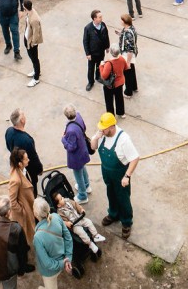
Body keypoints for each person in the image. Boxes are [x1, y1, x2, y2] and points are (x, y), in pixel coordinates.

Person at [91, 112, 140, 240]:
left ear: (112, 127)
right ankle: (113, 214)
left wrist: (127, 176)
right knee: (111, 194)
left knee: (123, 198)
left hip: (120, 174)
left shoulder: (123, 139)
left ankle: (126, 222)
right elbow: (93, 148)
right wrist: (95, 138)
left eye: (104, 128)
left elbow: (135, 158)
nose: (101, 129)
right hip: (107, 172)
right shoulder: (101, 134)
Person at [32, 197, 73, 289]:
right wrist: (68, 259)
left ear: (36, 214)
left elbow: (48, 264)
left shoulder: (38, 237)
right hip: (62, 260)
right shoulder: (56, 216)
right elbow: (67, 237)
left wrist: (62, 263)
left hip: (51, 270)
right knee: (50, 288)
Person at [52, 191, 104, 259]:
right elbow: (62, 221)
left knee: (89, 222)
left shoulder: (68, 201)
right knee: (81, 232)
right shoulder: (60, 212)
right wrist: (67, 223)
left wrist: (81, 209)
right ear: (58, 205)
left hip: (79, 218)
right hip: (74, 225)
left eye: (62, 197)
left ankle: (96, 235)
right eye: (61, 199)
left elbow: (76, 204)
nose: (63, 198)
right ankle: (90, 243)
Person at [5, 108, 44, 196]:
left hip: (16, 167)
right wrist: (39, 169)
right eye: (24, 115)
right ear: (22, 120)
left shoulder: (9, 131)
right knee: (31, 190)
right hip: (28, 172)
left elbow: (8, 147)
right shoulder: (27, 140)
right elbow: (33, 159)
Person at [61, 104, 92, 203]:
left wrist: (63, 140)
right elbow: (84, 127)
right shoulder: (78, 116)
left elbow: (71, 147)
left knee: (78, 174)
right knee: (83, 169)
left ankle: (83, 195)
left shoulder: (71, 131)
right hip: (83, 149)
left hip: (76, 156)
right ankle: (87, 185)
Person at [8, 147, 36, 246]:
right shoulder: (15, 180)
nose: (29, 160)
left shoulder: (22, 170)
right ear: (20, 163)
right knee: (25, 234)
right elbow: (12, 201)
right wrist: (22, 210)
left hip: (28, 205)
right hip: (24, 212)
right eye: (26, 159)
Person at [82, 9, 110, 91]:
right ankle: (90, 82)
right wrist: (87, 53)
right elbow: (85, 41)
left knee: (100, 65)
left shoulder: (103, 25)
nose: (101, 18)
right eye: (100, 17)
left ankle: (98, 77)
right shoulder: (88, 28)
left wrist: (107, 46)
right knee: (91, 68)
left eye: (101, 17)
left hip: (101, 51)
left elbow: (106, 36)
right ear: (94, 19)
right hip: (92, 53)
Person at [99, 43, 127, 118]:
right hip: (120, 83)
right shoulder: (122, 59)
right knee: (119, 98)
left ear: (111, 53)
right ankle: (121, 113)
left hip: (110, 85)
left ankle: (111, 116)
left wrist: (101, 66)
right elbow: (126, 67)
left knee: (109, 101)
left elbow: (104, 76)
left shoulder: (109, 64)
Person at [22, 0, 43, 87]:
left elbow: (36, 33)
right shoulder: (30, 11)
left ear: (25, 7)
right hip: (28, 38)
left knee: (34, 59)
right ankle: (36, 70)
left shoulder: (34, 19)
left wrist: (33, 43)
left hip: (31, 42)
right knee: (33, 58)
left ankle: (36, 78)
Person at [117, 14, 138, 97]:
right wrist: (120, 34)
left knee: (127, 74)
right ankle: (134, 86)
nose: (120, 21)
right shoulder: (131, 28)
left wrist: (128, 62)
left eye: (121, 20)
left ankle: (128, 92)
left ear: (125, 22)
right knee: (132, 71)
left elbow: (130, 50)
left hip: (127, 56)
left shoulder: (128, 34)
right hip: (130, 55)